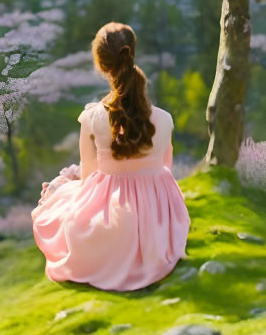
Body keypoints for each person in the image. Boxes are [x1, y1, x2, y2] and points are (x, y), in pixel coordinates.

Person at [31, 21, 190, 291]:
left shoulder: (93, 117)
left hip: (113, 219)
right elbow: (166, 172)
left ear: (101, 64)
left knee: (56, 201)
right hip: (158, 222)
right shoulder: (165, 120)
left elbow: (89, 177)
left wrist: (65, 182)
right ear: (132, 54)